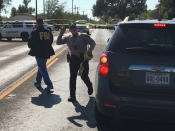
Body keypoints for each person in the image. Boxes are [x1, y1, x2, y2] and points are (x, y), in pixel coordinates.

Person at [56, 25, 96, 102]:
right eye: (71, 29)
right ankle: (72, 96)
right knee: (72, 78)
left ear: (77, 29)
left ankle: (89, 85)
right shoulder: (68, 37)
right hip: (73, 59)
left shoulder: (83, 36)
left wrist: (90, 50)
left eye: (74, 29)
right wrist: (61, 33)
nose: (73, 30)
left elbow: (93, 43)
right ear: (70, 30)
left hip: (83, 59)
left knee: (83, 76)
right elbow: (58, 42)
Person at [28, 18, 55, 93]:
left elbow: (29, 43)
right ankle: (37, 82)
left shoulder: (34, 32)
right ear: (43, 23)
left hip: (38, 52)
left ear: (37, 23)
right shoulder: (48, 31)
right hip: (47, 52)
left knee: (42, 68)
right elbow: (51, 40)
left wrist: (33, 46)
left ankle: (49, 84)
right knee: (41, 66)